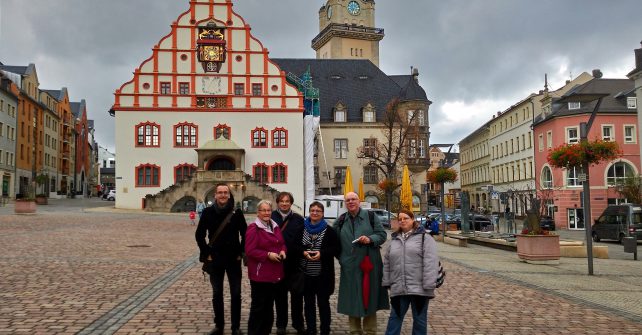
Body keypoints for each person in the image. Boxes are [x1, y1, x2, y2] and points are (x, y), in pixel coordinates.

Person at [195, 184, 247, 335]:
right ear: (215, 195)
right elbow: (199, 235)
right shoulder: (207, 212)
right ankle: (219, 325)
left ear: (229, 195)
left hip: (233, 258)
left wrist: (241, 252)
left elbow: (245, 234)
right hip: (215, 258)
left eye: (226, 192)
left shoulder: (237, 213)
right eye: (220, 193)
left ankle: (235, 327)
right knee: (217, 293)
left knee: (236, 293)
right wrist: (206, 253)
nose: (223, 195)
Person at [335, 192, 388, 335]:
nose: (351, 202)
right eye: (348, 200)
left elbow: (382, 235)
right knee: (353, 297)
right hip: (349, 266)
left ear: (359, 201)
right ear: (345, 203)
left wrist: (370, 239)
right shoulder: (340, 220)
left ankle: (370, 331)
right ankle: (355, 331)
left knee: (369, 296)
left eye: (353, 199)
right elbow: (333, 241)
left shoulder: (370, 217)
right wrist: (342, 258)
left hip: (369, 264)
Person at [383, 209, 440, 335]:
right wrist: (387, 282)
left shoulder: (425, 238)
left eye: (406, 218)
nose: (402, 221)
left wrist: (429, 284)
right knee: (394, 319)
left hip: (420, 288)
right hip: (399, 287)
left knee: (420, 321)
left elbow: (431, 262)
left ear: (413, 219)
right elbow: (387, 262)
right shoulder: (394, 240)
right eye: (400, 219)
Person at [245, 200, 287, 335]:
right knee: (258, 308)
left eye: (268, 210)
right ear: (258, 212)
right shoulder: (253, 228)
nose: (266, 213)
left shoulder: (274, 226)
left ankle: (265, 332)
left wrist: (282, 251)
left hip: (275, 273)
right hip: (260, 275)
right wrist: (268, 254)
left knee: (269, 308)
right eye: (263, 210)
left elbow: (281, 243)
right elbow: (250, 250)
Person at [298, 201, 340, 335]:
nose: (315, 213)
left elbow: (336, 248)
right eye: (313, 210)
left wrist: (322, 253)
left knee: (323, 304)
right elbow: (293, 247)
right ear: (309, 212)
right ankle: (311, 329)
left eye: (318, 211)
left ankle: (325, 330)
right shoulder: (301, 228)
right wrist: (303, 253)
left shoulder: (329, 230)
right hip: (306, 274)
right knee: (308, 304)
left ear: (322, 214)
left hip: (323, 275)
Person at [272, 192, 306, 335]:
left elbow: (304, 240)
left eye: (287, 201)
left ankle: (298, 324)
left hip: (295, 263)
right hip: (277, 263)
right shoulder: (271, 217)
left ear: (291, 203)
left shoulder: (298, 219)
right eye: (281, 201)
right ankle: (281, 325)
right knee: (280, 297)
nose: (284, 203)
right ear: (278, 202)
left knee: (297, 296)